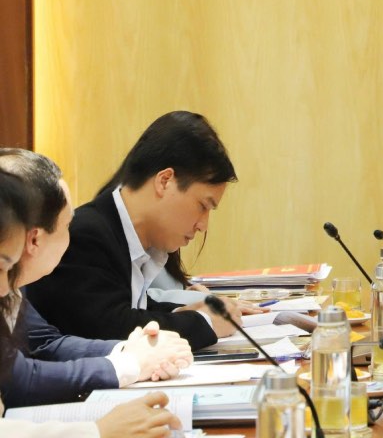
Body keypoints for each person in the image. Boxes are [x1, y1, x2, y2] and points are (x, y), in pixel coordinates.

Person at [26, 111, 242, 350]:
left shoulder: (120, 231)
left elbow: (132, 308)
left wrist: (185, 310)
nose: (203, 225)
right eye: (203, 206)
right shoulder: (86, 235)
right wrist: (203, 322)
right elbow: (110, 328)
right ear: (165, 181)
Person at [0, 148, 192, 407]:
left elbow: (44, 343)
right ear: (35, 238)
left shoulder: (14, 285)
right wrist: (130, 364)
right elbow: (19, 380)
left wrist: (131, 350)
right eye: (67, 225)